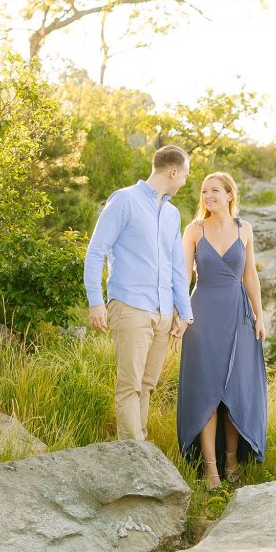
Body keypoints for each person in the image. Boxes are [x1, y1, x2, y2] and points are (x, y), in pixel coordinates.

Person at [84, 145, 194, 441]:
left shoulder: (171, 214)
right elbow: (96, 252)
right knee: (129, 386)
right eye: (185, 174)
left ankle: (140, 453)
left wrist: (184, 313)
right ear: (174, 171)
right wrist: (96, 301)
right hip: (130, 306)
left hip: (163, 312)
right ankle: (132, 458)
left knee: (147, 386)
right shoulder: (124, 200)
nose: (185, 181)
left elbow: (176, 268)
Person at [175, 172, 268, 489]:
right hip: (202, 316)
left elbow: (250, 277)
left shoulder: (245, 229)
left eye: (215, 190)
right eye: (204, 191)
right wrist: (180, 316)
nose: (208, 196)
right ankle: (211, 470)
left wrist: (260, 315)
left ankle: (232, 460)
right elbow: (183, 277)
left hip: (239, 317)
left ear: (230, 194)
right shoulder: (194, 230)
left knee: (234, 394)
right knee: (207, 394)